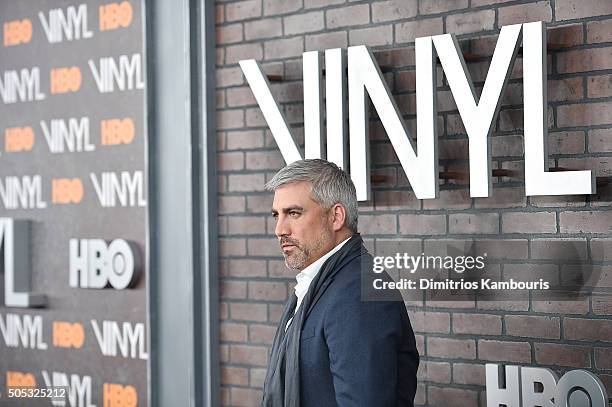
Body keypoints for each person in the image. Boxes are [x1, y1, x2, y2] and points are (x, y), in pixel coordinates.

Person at [261, 159, 419, 407]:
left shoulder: (358, 293)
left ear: (336, 217)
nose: (280, 229)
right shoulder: (321, 284)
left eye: (293, 213)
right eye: (276, 215)